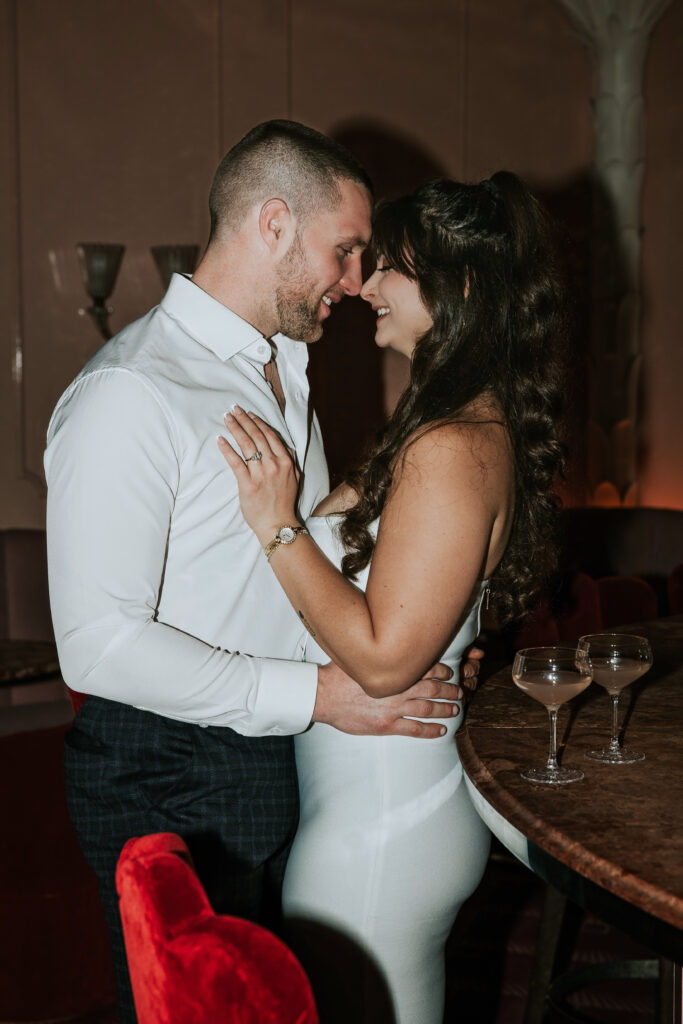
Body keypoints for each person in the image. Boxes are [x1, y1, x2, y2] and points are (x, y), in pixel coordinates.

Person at [44, 122, 479, 1024]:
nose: (357, 282)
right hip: (163, 772)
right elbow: (98, 649)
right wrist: (321, 697)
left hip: (264, 756)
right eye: (345, 249)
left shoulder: (283, 368)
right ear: (274, 224)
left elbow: (282, 576)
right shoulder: (131, 391)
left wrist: (417, 647)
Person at [219, 172, 568, 1024]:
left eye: (391, 270)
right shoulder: (441, 425)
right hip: (388, 804)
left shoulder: (448, 445)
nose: (363, 285)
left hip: (379, 826)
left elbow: (380, 661)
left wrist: (277, 525)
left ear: (461, 289)